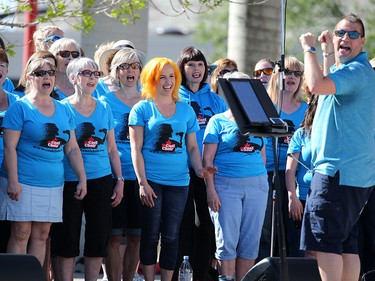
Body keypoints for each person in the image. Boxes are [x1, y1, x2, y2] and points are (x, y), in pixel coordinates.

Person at [299, 13, 375, 281]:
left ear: (363, 41)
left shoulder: (355, 72)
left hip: (336, 174)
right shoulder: (354, 72)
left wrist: (308, 49)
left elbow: (317, 85)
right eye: (340, 33)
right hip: (352, 176)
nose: (345, 38)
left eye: (353, 34)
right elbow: (328, 79)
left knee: (326, 244)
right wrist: (325, 51)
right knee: (346, 244)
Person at [128, 57, 217, 281]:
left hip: (179, 182)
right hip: (152, 182)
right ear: (151, 80)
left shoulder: (186, 110)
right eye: (162, 77)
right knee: (150, 236)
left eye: (171, 77)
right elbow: (135, 150)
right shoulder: (141, 109)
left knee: (171, 236)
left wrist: (199, 169)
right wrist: (142, 183)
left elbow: (193, 147)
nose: (168, 82)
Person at [0, 57, 86, 266]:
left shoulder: (64, 109)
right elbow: (10, 147)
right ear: (29, 77)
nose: (46, 76)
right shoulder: (19, 108)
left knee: (42, 234)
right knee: (21, 233)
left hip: (52, 183)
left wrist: (82, 178)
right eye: (40, 73)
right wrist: (13, 180)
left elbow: (72, 147)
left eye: (50, 72)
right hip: (23, 181)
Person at [50, 57, 124, 281]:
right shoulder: (61, 108)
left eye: (95, 74)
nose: (92, 78)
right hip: (69, 179)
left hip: (101, 179)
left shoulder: (104, 106)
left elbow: (112, 148)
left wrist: (119, 179)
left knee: (98, 236)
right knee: (67, 236)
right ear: (72, 78)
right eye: (85, 73)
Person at [203, 71, 269, 281]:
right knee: (227, 243)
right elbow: (207, 161)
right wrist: (211, 189)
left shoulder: (259, 119)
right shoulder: (217, 121)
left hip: (257, 185)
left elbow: (262, 155)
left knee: (250, 244)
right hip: (226, 186)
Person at [175, 46, 227, 281]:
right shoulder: (174, 96)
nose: (196, 69)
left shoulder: (216, 101)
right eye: (190, 65)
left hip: (208, 172)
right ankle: (180, 273)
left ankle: (201, 273)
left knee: (206, 226)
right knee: (183, 226)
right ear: (182, 69)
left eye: (200, 65)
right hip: (180, 171)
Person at [99, 48, 145, 281]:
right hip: (113, 175)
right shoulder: (104, 101)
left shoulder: (148, 100)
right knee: (114, 237)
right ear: (116, 72)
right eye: (124, 67)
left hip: (141, 178)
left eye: (134, 66)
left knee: (137, 236)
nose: (130, 71)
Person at [259, 56, 308, 260]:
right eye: (287, 72)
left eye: (297, 73)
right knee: (266, 232)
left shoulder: (306, 108)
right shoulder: (265, 105)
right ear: (278, 75)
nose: (292, 77)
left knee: (292, 231)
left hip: (295, 174)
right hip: (266, 172)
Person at [285, 93, 318, 258]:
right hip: (304, 198)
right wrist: (292, 197)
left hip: (329, 197)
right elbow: (290, 170)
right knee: (306, 249)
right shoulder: (301, 134)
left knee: (324, 249)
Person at [0, 49, 18, 253]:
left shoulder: (17, 102)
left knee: (6, 229)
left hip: (9, 174)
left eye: (2, 65)